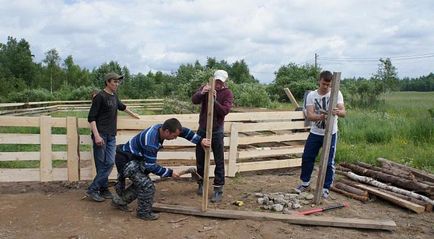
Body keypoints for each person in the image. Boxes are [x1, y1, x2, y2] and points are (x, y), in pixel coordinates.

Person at [111, 118, 211, 220]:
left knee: (141, 184)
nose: (175, 138)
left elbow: (183, 131)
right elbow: (150, 166)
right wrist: (170, 173)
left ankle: (119, 201)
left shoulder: (163, 128)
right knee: (147, 186)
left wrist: (200, 140)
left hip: (136, 159)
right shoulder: (151, 141)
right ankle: (143, 213)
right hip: (127, 161)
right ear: (167, 131)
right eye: (174, 136)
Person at [86, 72, 140, 202]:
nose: (117, 84)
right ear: (108, 82)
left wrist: (136, 116)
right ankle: (95, 189)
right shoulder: (99, 97)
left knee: (109, 162)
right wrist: (97, 136)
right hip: (101, 135)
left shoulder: (114, 96)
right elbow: (91, 118)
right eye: (115, 82)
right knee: (101, 164)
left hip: (111, 135)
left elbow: (122, 107)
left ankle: (100, 188)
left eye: (118, 82)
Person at [295, 70, 346, 199]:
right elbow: (310, 115)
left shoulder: (336, 93)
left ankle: (325, 188)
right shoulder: (312, 95)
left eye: (328, 85)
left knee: (329, 161)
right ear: (319, 81)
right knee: (307, 157)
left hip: (331, 133)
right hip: (315, 132)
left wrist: (337, 111)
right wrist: (322, 116)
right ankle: (305, 183)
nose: (326, 87)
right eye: (324, 84)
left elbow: (343, 112)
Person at [191, 69, 234, 203]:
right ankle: (202, 183)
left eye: (221, 82)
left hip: (216, 130)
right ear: (213, 79)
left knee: (219, 160)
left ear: (224, 82)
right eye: (217, 81)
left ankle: (218, 189)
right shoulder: (206, 87)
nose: (218, 84)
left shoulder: (227, 93)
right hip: (203, 129)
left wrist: (214, 100)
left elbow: (224, 111)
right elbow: (194, 100)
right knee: (200, 157)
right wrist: (202, 92)